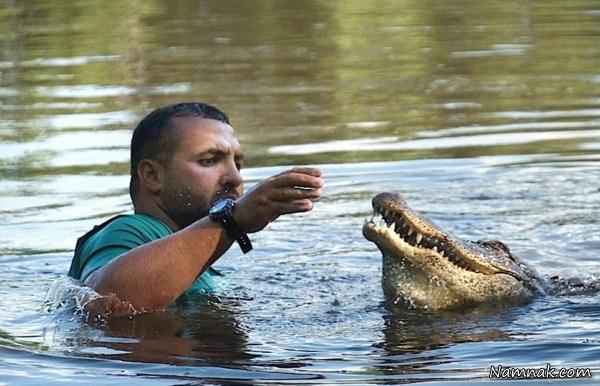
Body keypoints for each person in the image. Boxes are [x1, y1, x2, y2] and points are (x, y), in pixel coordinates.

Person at [68, 102, 323, 315]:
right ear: (153, 176)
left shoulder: (200, 262)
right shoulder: (127, 232)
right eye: (209, 161)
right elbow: (104, 298)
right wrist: (230, 221)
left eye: (238, 164)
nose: (235, 178)